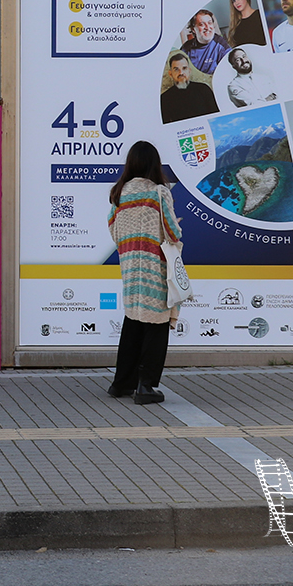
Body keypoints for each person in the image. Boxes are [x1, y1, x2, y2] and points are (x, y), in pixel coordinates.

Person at [106, 141, 181, 404]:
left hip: (130, 268)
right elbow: (172, 232)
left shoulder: (120, 193)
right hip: (154, 267)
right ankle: (145, 386)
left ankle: (121, 383)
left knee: (133, 321)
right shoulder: (159, 192)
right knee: (157, 325)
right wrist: (175, 226)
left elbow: (114, 230)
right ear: (154, 164)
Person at [159, 52, 218, 124]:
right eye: (176, 69)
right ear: (170, 74)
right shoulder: (164, 99)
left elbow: (216, 117)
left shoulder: (204, 89)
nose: (181, 73)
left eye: (184, 68)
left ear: (189, 71)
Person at [178, 9, 229, 75]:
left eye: (209, 23)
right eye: (202, 24)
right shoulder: (186, 48)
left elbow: (229, 67)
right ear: (193, 29)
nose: (207, 27)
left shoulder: (221, 44)